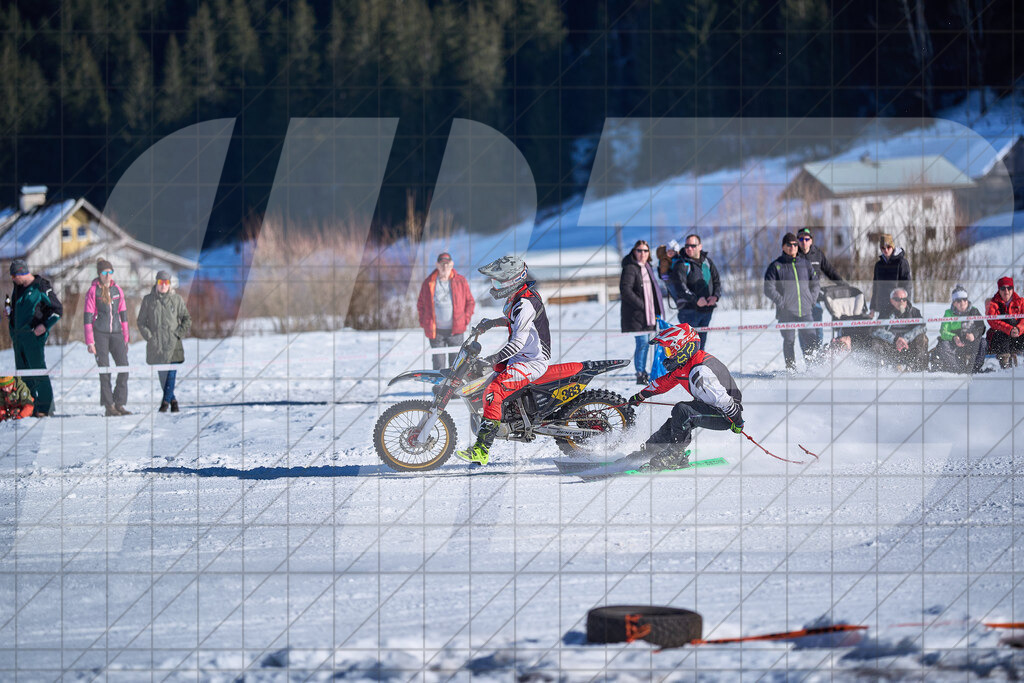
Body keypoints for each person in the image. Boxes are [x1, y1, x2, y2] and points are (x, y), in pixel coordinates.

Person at [456, 256, 550, 466]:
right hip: (523, 356)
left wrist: (493, 359)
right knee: (487, 378)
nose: (495, 286)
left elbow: (517, 342)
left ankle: (481, 450)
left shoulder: (524, 304)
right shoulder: (519, 298)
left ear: (512, 280)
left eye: (498, 282)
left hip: (531, 361)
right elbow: (515, 322)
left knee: (493, 389)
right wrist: (492, 323)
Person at [618, 323, 743, 471]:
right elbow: (664, 382)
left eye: (670, 350)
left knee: (682, 411)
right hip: (712, 407)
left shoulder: (700, 370)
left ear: (683, 348)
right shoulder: (685, 365)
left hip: (725, 414)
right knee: (673, 424)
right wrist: (641, 395)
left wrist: (737, 421)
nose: (667, 355)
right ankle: (650, 450)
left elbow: (723, 400)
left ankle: (676, 455)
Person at [7, 258, 62, 416]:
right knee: (23, 373)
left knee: (37, 371)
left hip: (33, 337)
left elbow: (57, 310)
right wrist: (9, 312)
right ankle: (29, 406)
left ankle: (45, 407)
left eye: (13, 276)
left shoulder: (41, 286)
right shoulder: (17, 288)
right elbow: (15, 307)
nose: (13, 280)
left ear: (20, 273)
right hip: (18, 337)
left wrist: (44, 325)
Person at [763, 233, 820, 370]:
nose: (793, 247)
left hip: (806, 311)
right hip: (786, 313)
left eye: (795, 244)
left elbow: (815, 284)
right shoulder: (776, 265)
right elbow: (768, 288)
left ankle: (812, 369)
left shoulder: (805, 264)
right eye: (789, 244)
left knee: (811, 341)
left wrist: (811, 300)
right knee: (789, 341)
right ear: (783, 246)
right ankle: (791, 370)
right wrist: (782, 303)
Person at [137, 270, 192, 412]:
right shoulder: (148, 300)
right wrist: (150, 337)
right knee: (163, 377)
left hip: (173, 344)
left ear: (169, 285)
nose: (163, 285)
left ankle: (165, 404)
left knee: (171, 374)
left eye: (166, 283)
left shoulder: (176, 300)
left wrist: (178, 334)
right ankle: (173, 400)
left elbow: (187, 319)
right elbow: (141, 322)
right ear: (156, 283)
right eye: (161, 282)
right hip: (157, 346)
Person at [84, 258, 131, 416]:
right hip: (100, 334)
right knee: (105, 371)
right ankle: (109, 406)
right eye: (105, 272)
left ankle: (119, 403)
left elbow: (123, 315)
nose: (108, 275)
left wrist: (126, 338)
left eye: (110, 272)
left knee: (124, 367)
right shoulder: (93, 291)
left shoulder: (118, 290)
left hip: (117, 333)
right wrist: (90, 342)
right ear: (99, 274)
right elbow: (88, 318)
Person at [416, 252, 475, 370]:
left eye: (447, 264)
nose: (445, 267)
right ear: (437, 264)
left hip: (456, 331)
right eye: (442, 264)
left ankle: (454, 388)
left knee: (456, 363)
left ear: (452, 264)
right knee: (438, 363)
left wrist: (465, 319)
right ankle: (439, 388)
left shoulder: (461, 281)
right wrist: (424, 323)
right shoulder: (428, 283)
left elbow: (470, 302)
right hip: (436, 332)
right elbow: (420, 305)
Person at [620, 240, 664, 384]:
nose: (642, 254)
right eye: (639, 250)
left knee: (648, 343)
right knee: (642, 343)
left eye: (645, 251)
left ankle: (646, 372)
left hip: (649, 315)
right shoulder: (630, 268)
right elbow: (625, 290)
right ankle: (640, 373)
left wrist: (655, 309)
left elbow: (653, 292)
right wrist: (642, 305)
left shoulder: (648, 267)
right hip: (637, 314)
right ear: (634, 252)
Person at [795, 227, 847, 346]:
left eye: (806, 239)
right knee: (804, 329)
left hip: (815, 298)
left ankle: (817, 354)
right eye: (801, 239)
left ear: (811, 240)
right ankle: (808, 356)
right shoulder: (794, 255)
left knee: (818, 328)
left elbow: (829, 271)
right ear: (798, 240)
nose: (804, 241)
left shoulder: (817, 254)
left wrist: (843, 284)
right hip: (800, 300)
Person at [671, 233, 721, 349]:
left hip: (707, 311)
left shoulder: (707, 262)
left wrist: (715, 296)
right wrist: (696, 300)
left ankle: (698, 367)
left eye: (693, 245)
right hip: (688, 312)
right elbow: (681, 288)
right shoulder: (681, 264)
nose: (689, 248)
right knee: (688, 349)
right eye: (687, 246)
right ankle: (689, 367)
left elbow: (717, 281)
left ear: (700, 246)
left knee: (701, 347)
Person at [869, 288, 928, 371]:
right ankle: (879, 369)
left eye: (904, 299)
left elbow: (922, 328)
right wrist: (895, 339)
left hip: (908, 346)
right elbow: (876, 330)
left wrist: (905, 339)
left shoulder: (914, 312)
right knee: (876, 341)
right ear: (891, 300)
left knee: (923, 338)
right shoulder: (885, 313)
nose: (901, 302)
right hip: (892, 347)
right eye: (897, 299)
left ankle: (920, 368)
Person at [932, 285, 987, 374]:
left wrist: (974, 335)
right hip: (955, 344)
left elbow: (981, 327)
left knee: (983, 342)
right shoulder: (948, 313)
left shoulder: (974, 311)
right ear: (954, 303)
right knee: (943, 344)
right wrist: (954, 338)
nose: (962, 303)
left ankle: (974, 369)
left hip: (970, 343)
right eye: (958, 300)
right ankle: (957, 371)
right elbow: (943, 331)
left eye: (964, 299)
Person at [870, 233, 912, 319]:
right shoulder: (878, 265)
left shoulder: (901, 262)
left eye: (888, 247)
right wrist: (873, 307)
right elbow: (875, 287)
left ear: (892, 247)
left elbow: (907, 285)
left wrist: (905, 303)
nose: (886, 250)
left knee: (898, 331)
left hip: (897, 306)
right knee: (880, 331)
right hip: (883, 306)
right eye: (883, 248)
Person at [985, 276, 1024, 369]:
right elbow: (992, 321)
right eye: (1003, 288)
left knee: (1013, 322)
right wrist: (1009, 329)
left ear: (1013, 289)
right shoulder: (992, 303)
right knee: (1002, 332)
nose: (1006, 291)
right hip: (999, 339)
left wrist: (1018, 329)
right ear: (999, 290)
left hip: (1018, 336)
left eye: (1009, 288)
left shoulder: (1020, 301)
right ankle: (1005, 364)